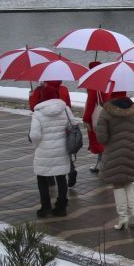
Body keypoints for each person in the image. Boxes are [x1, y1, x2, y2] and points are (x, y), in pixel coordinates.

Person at [96, 91, 134, 230]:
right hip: (132, 150)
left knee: (118, 184)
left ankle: (123, 217)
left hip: (114, 153)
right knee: (128, 181)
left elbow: (102, 138)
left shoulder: (106, 112)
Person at [28, 83, 75, 217]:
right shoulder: (65, 109)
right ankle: (61, 207)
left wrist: (37, 145)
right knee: (61, 177)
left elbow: (35, 135)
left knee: (42, 179)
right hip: (61, 150)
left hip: (43, 151)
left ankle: (46, 207)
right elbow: (73, 125)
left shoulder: (38, 113)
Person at [83, 61, 108, 173]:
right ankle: (105, 163)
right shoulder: (107, 81)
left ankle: (100, 164)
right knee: (106, 138)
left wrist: (86, 118)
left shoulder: (93, 84)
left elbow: (90, 103)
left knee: (98, 139)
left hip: (97, 116)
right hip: (108, 113)